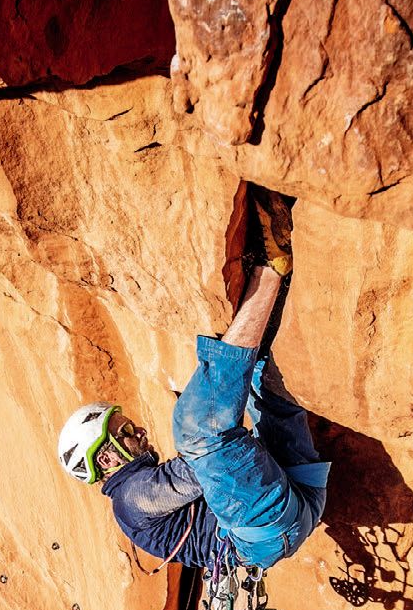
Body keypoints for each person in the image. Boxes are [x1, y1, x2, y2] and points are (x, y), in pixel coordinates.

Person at [57, 190, 330, 574]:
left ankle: (263, 317)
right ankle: (270, 268)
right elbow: (200, 469)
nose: (137, 430)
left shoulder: (138, 497)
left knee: (259, 378)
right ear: (106, 457)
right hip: (267, 522)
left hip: (295, 502)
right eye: (124, 432)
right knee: (197, 430)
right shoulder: (131, 500)